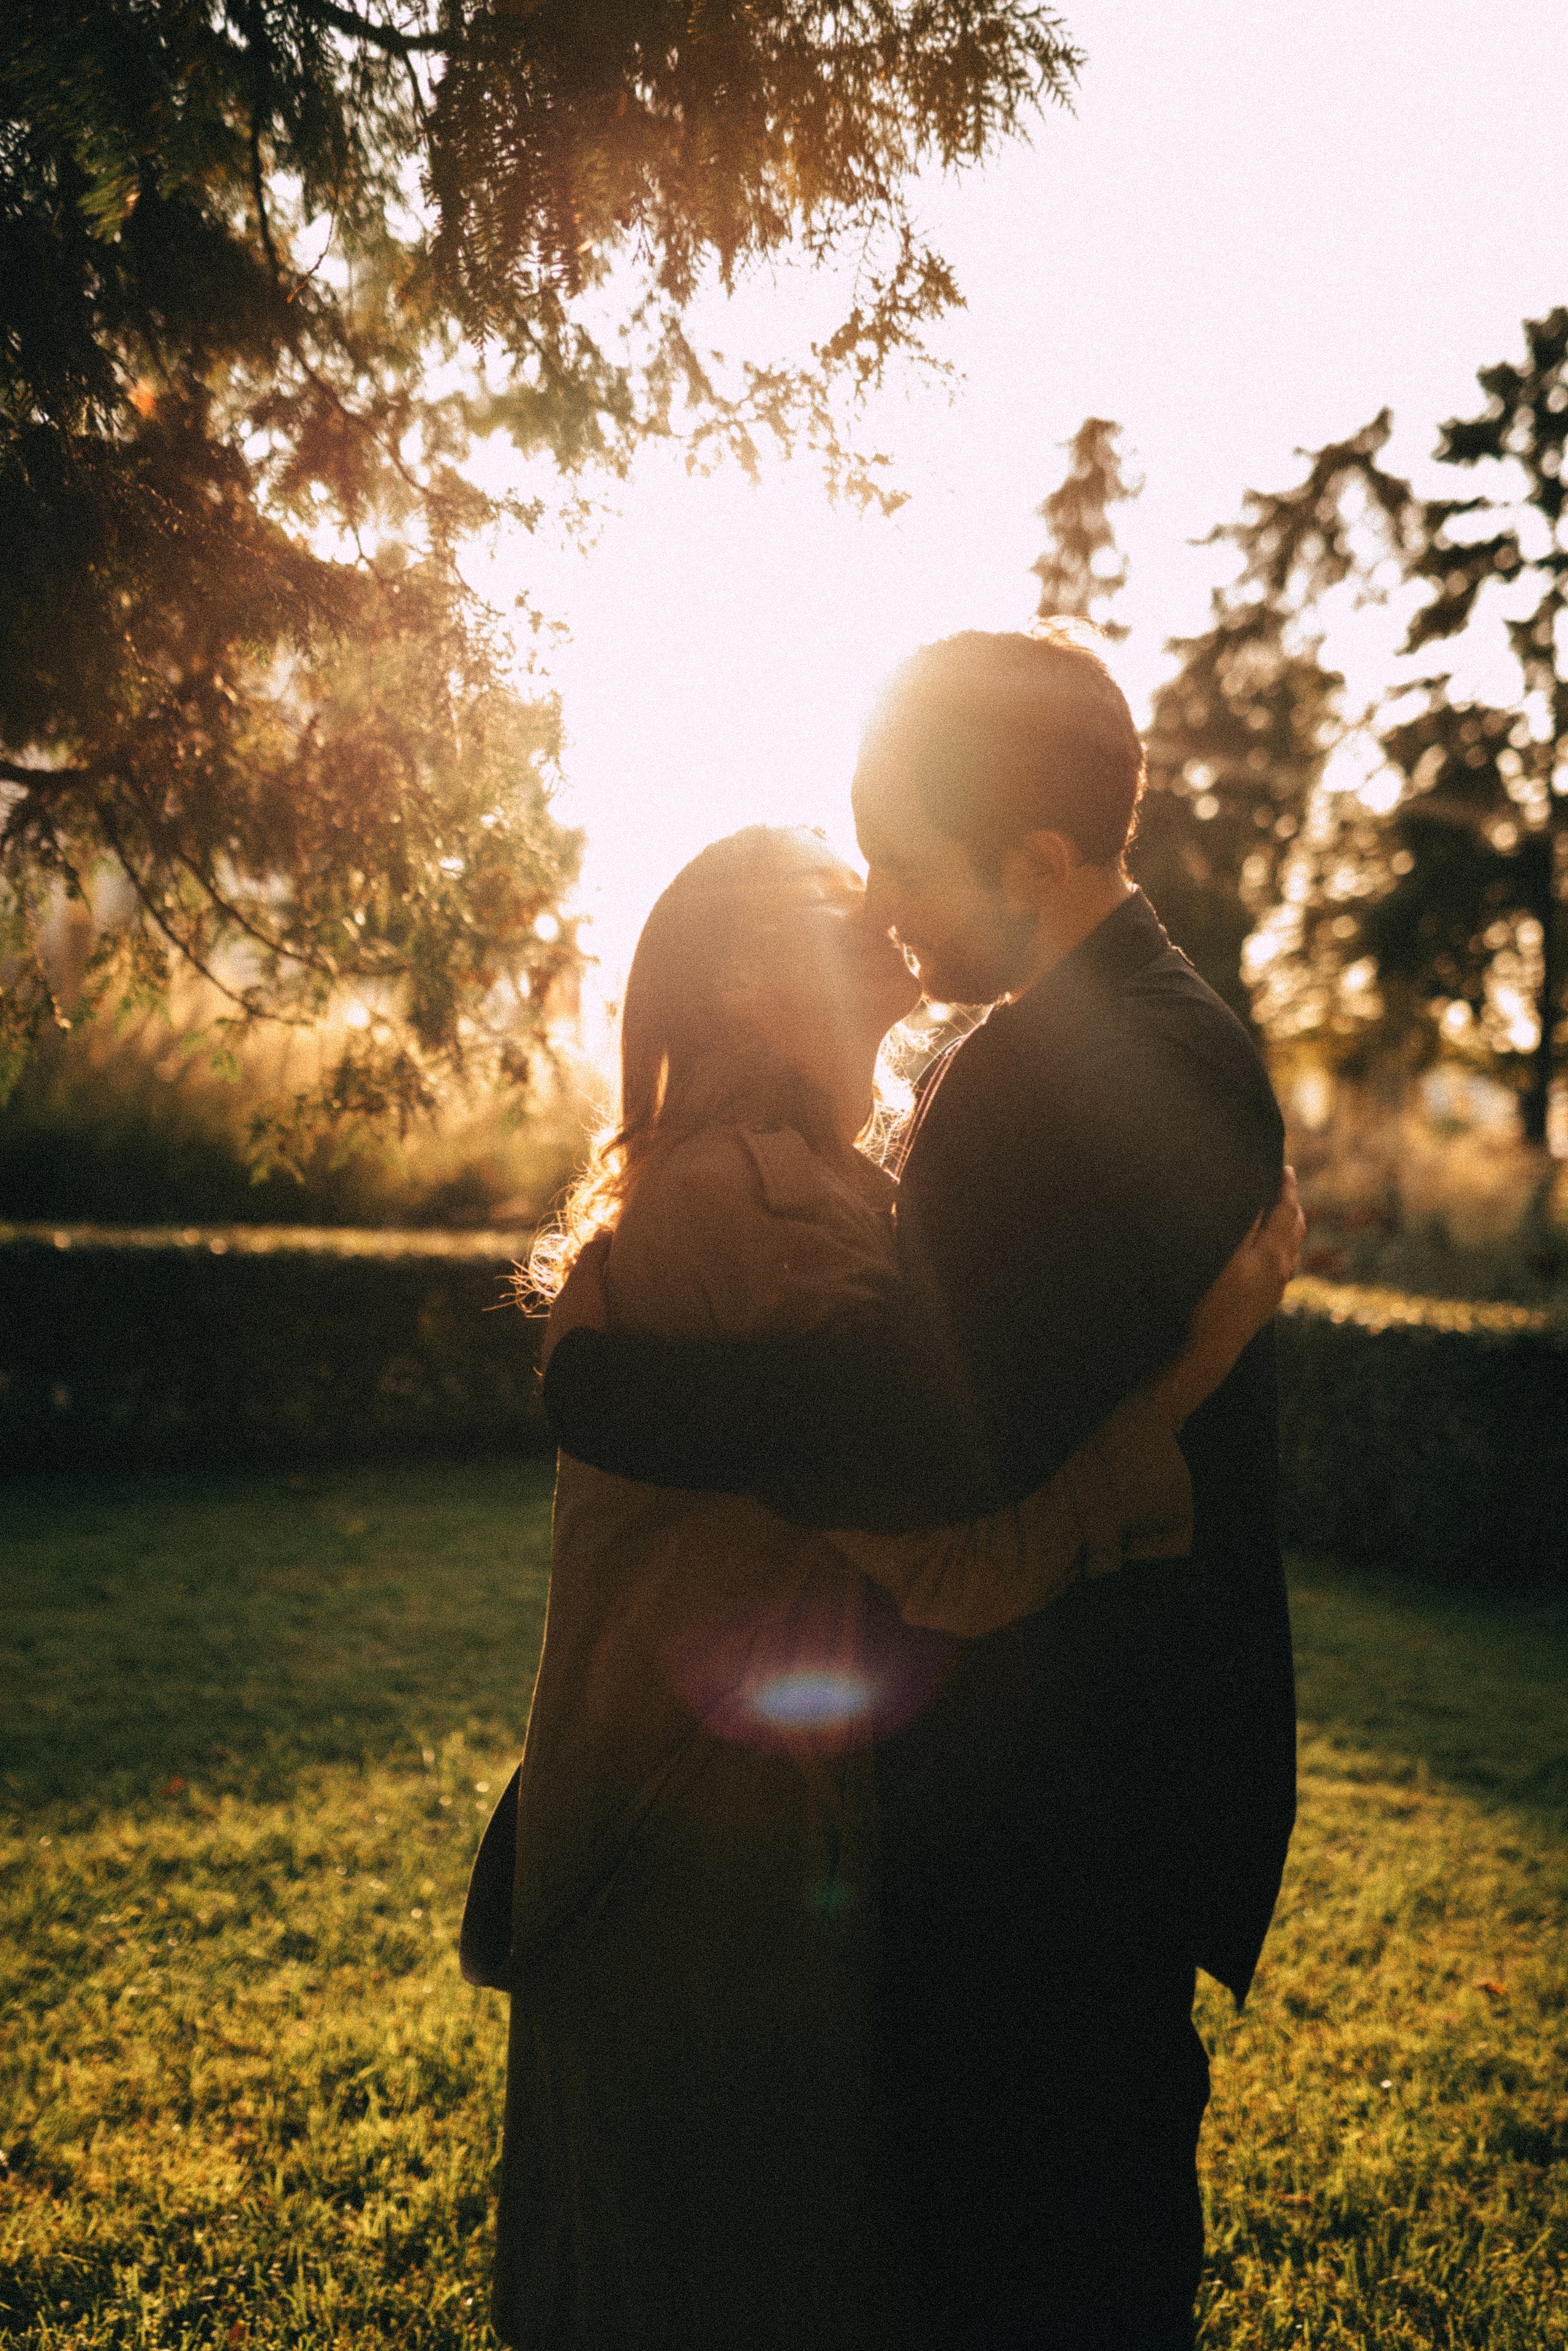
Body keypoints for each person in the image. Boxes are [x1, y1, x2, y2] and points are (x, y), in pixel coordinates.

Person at [541, 629, 1301, 2351]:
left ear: (1039, 865)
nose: (885, 910)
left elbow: (915, 1425)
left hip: (1074, 1803)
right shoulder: (1070, 1040)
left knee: (1051, 2270)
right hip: (1027, 1788)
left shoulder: (1128, 1065)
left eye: (907, 867)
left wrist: (607, 1386)